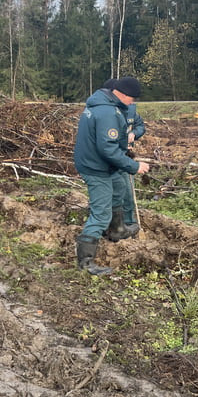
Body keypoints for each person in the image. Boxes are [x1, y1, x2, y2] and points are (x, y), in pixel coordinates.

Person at [73, 76, 150, 275]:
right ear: (123, 94)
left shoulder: (104, 106)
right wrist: (134, 166)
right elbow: (107, 149)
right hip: (96, 168)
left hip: (104, 166)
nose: (132, 103)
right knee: (101, 213)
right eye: (131, 99)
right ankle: (85, 263)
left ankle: (117, 230)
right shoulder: (107, 112)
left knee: (120, 189)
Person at [102, 79, 146, 234]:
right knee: (110, 192)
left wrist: (134, 133)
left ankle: (128, 223)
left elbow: (141, 126)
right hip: (111, 159)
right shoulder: (106, 112)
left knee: (127, 192)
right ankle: (108, 224)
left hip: (125, 158)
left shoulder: (131, 109)